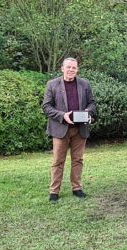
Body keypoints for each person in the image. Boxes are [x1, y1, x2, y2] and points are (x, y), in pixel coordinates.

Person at [42, 57, 96, 202]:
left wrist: (88, 113)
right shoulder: (52, 84)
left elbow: (92, 103)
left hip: (80, 129)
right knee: (58, 161)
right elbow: (46, 107)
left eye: (74, 67)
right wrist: (62, 115)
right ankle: (54, 191)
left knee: (78, 160)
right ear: (62, 68)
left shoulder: (85, 84)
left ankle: (77, 188)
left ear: (77, 69)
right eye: (68, 67)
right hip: (60, 129)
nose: (71, 70)